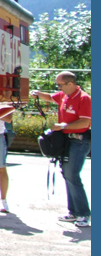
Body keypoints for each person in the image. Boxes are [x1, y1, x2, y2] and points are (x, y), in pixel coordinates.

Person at [32, 72, 91, 228]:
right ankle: (74, 212)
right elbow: (51, 97)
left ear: (70, 84)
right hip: (67, 141)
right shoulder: (64, 95)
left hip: (79, 141)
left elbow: (85, 122)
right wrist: (37, 93)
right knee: (67, 174)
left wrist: (63, 126)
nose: (58, 88)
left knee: (72, 175)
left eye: (60, 85)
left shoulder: (84, 98)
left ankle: (84, 214)